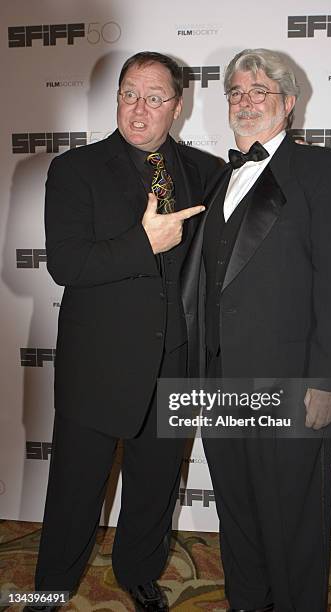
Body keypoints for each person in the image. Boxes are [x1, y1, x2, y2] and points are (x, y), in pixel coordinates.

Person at [25, 51, 220, 612]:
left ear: (177, 106)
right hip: (99, 363)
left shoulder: (204, 172)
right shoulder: (75, 169)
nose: (139, 110)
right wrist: (144, 243)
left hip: (174, 364)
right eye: (129, 94)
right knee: (74, 491)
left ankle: (139, 574)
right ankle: (47, 591)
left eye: (155, 98)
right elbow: (67, 264)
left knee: (155, 487)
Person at [181, 49, 331, 612]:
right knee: (237, 511)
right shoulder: (216, 181)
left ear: (288, 102)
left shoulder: (327, 172)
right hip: (218, 382)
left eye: (260, 90)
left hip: (291, 385)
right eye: (236, 92)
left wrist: (330, 380)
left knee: (294, 523)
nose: (246, 101)